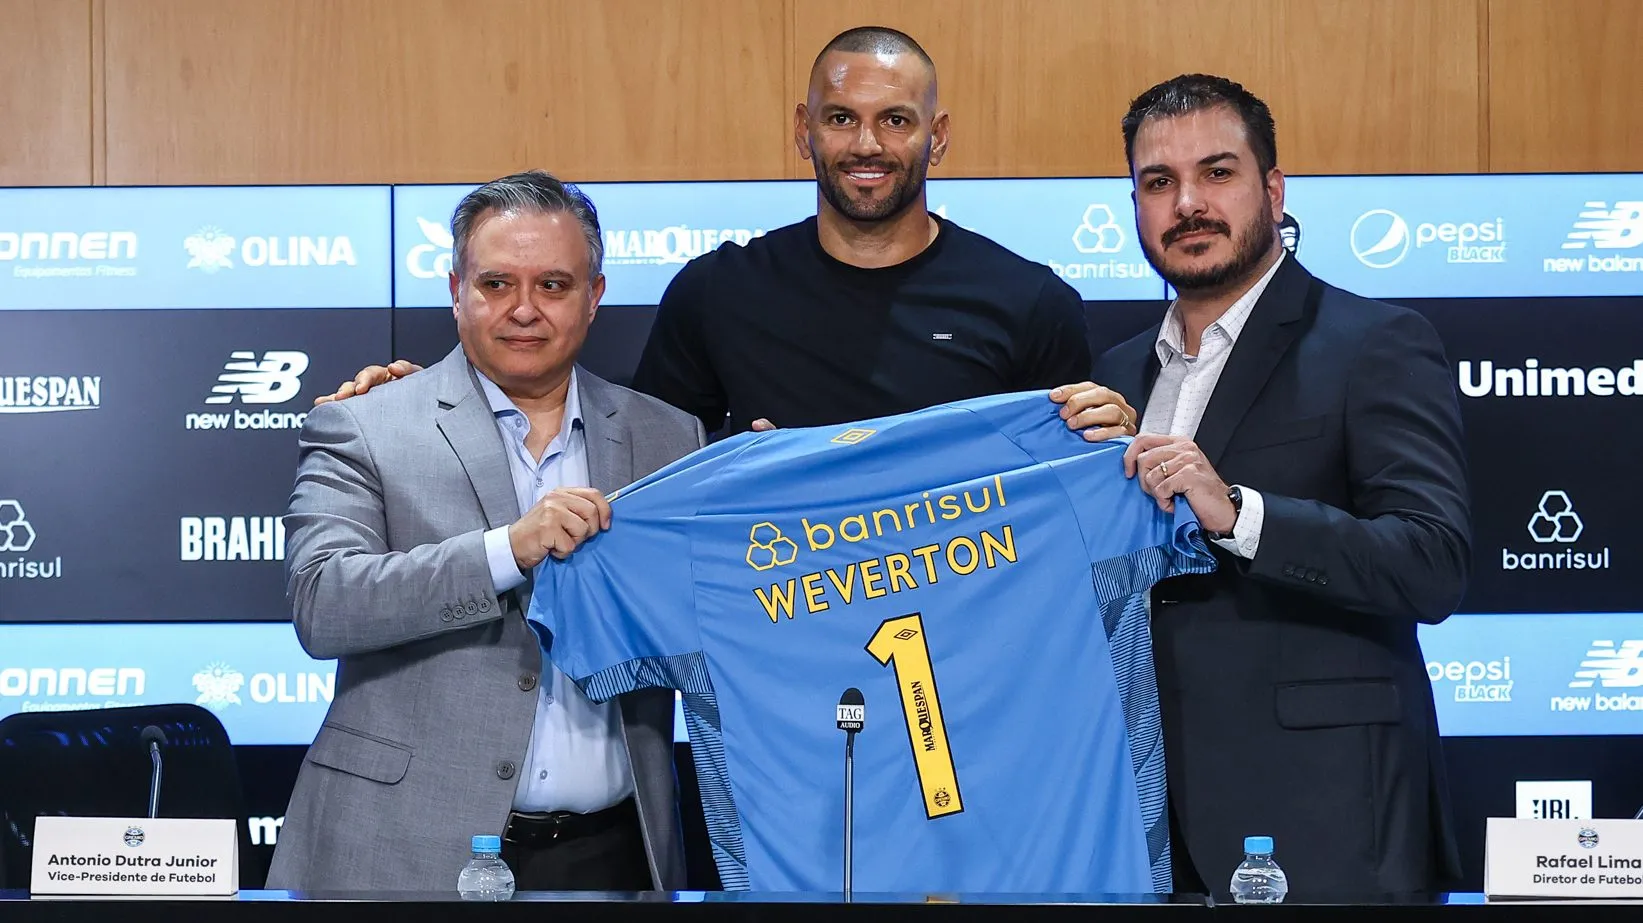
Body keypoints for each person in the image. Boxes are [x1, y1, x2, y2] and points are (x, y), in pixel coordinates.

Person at [1052, 74, 1470, 898]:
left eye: (1216, 173)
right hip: (1141, 826)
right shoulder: (1114, 373)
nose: (1187, 205)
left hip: (1328, 824)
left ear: (1272, 191)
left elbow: (1431, 561)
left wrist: (1237, 511)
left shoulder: (1375, 343)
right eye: (1158, 182)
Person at [317, 26, 1136, 442]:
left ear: (938, 134)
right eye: (840, 118)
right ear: (801, 130)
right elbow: (624, 458)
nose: (865, 146)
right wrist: (427, 409)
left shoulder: (1029, 298)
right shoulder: (719, 291)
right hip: (768, 667)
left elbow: (1065, 490)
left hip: (969, 664)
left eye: (895, 121)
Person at [266, 171, 704, 893]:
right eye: (496, 283)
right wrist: (509, 548)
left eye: (554, 285)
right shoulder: (364, 421)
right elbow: (325, 602)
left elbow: (707, 622)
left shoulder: (669, 436)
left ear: (594, 296)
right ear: (455, 290)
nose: (523, 309)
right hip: (400, 847)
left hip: (616, 851)